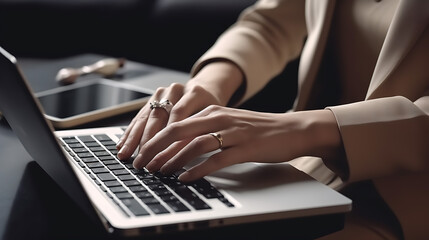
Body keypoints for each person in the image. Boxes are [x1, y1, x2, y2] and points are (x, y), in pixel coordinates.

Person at [116, 0, 429, 239]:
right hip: (298, 167)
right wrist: (207, 85)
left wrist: (297, 129)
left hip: (401, 200)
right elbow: (270, 22)